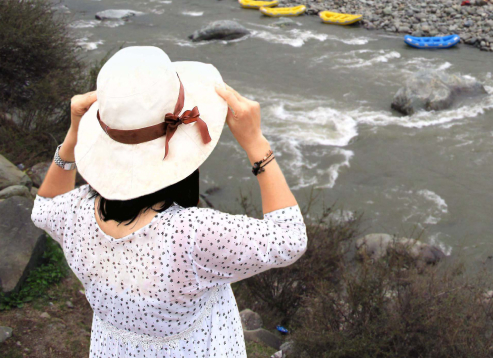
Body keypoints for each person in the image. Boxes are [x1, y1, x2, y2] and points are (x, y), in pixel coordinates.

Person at [31, 46, 307, 357]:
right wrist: (257, 144)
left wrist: (72, 137)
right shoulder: (191, 234)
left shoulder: (75, 214)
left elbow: (44, 207)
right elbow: (290, 238)